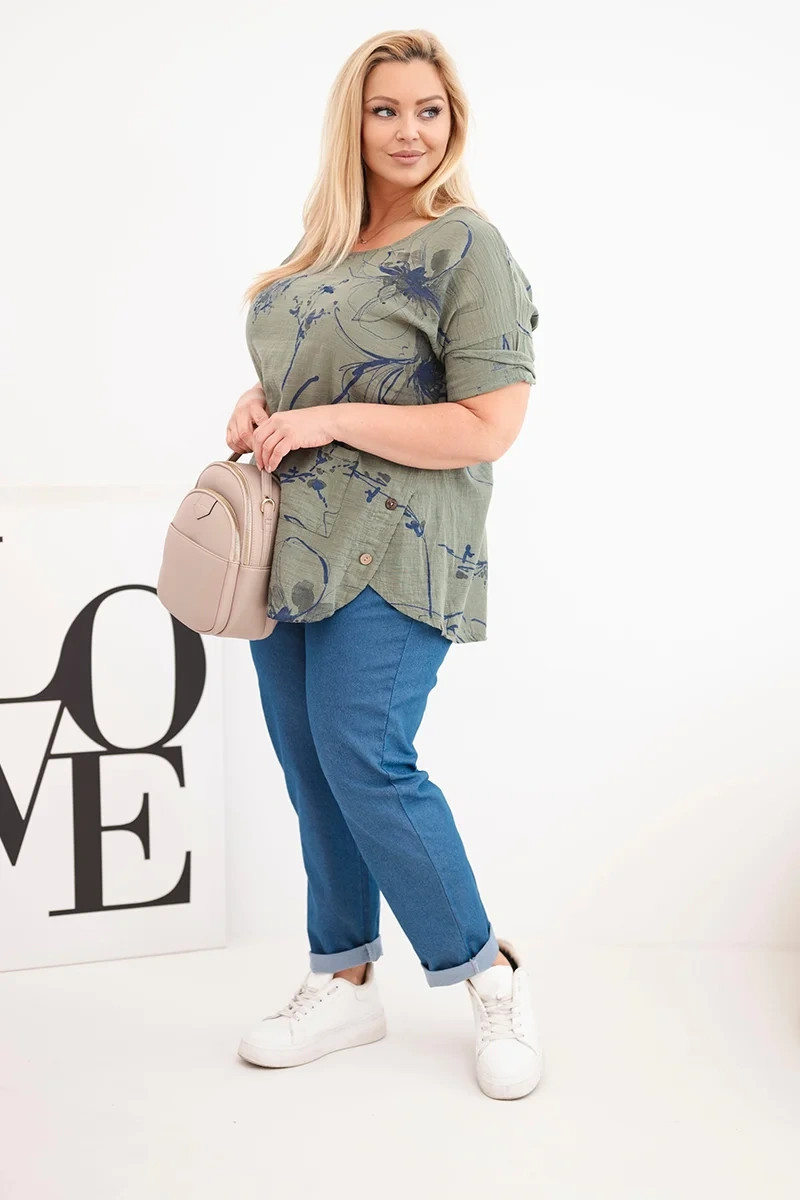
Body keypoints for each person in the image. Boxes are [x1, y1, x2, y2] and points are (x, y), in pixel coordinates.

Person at [228, 28, 542, 1101]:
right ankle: (345, 978)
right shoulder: (321, 250)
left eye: (429, 110)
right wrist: (262, 406)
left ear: (454, 123)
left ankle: (486, 971)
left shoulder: (466, 247)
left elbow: (488, 425)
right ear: (352, 125)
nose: (410, 131)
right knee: (311, 765)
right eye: (386, 110)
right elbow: (311, 380)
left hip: (397, 543)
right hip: (288, 547)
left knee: (365, 754)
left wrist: (325, 420)